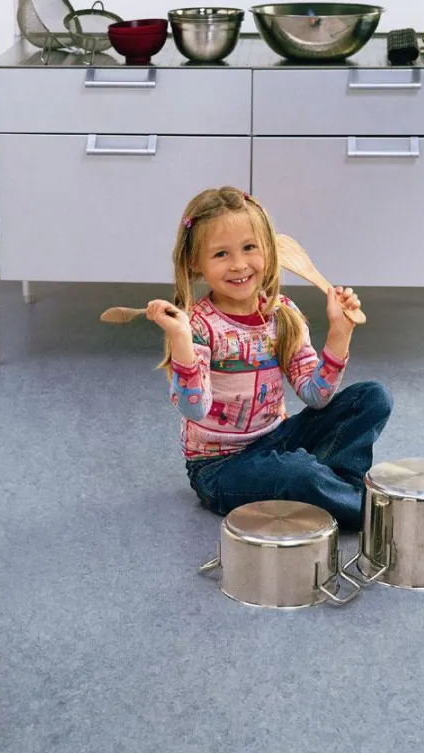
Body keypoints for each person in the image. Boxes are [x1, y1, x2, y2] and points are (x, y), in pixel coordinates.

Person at [146, 186, 393, 532]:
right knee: (297, 473)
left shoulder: (282, 314)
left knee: (372, 398)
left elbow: (316, 396)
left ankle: (338, 486)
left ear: (268, 249)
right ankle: (368, 513)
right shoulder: (198, 326)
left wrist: (340, 331)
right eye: (221, 254)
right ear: (195, 262)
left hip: (276, 438)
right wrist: (182, 342)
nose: (239, 264)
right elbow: (194, 408)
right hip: (220, 468)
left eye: (249, 247)